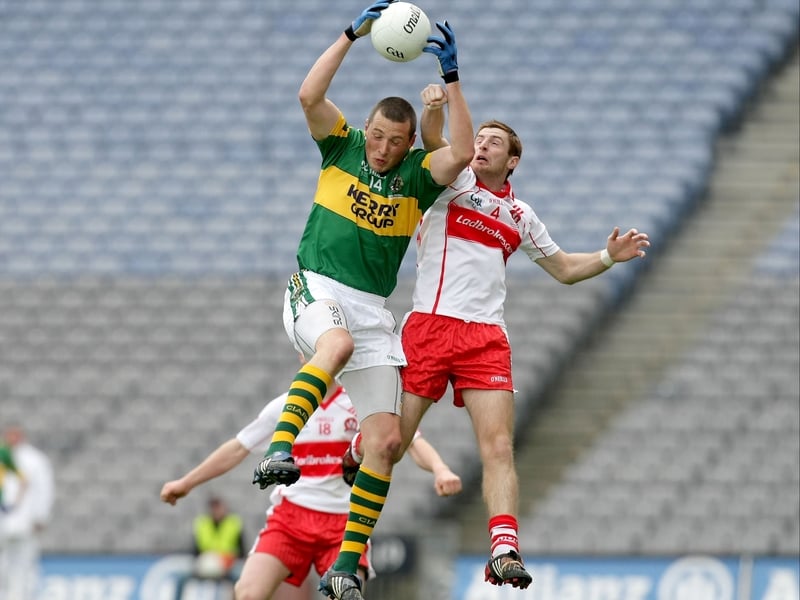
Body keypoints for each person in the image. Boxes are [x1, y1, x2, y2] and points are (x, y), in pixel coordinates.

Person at [249, 2, 474, 599]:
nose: (380, 148)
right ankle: (280, 451)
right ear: (365, 130)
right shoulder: (340, 146)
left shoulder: (418, 177)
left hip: (374, 310)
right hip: (316, 287)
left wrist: (452, 83)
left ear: (406, 145)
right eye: (376, 135)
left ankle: (346, 567)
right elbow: (307, 95)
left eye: (393, 141)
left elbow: (461, 152)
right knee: (336, 343)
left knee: (387, 442)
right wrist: (351, 33)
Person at [394, 84, 652, 590]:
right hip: (429, 325)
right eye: (480, 138)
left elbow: (562, 268)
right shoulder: (453, 182)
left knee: (498, 447)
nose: (483, 144)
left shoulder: (520, 216)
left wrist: (606, 258)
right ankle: (362, 450)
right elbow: (433, 140)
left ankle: (504, 548)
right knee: (395, 442)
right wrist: (434, 108)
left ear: (512, 161)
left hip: (485, 337)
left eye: (494, 141)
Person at [161, 376, 462, 600]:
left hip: (345, 525)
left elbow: (410, 441)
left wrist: (440, 469)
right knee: (247, 593)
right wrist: (186, 483)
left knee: (346, 596)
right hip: (290, 520)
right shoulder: (286, 406)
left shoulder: (361, 406)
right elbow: (238, 448)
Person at [0, 425, 54, 600]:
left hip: (26, 522)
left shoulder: (35, 459)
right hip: (3, 522)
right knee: (3, 566)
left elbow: (44, 489)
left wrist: (40, 517)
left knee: (24, 566)